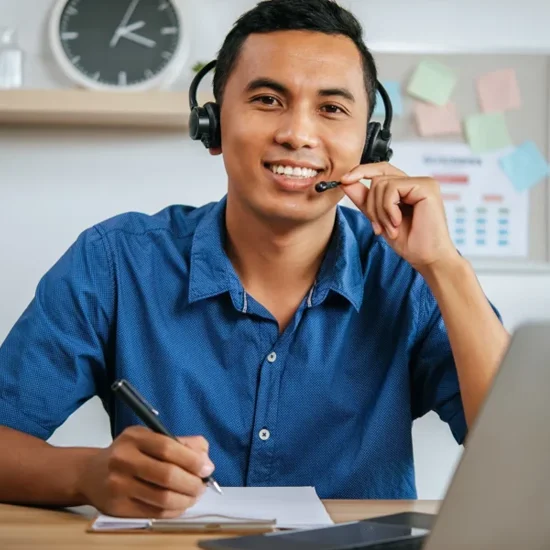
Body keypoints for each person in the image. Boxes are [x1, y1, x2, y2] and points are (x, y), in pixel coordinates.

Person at [0, 0, 508, 519]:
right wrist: (86, 475)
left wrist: (445, 266)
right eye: (268, 99)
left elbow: (519, 455)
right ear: (214, 124)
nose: (297, 134)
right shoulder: (114, 263)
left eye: (331, 109)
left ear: (370, 142)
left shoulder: (409, 275)